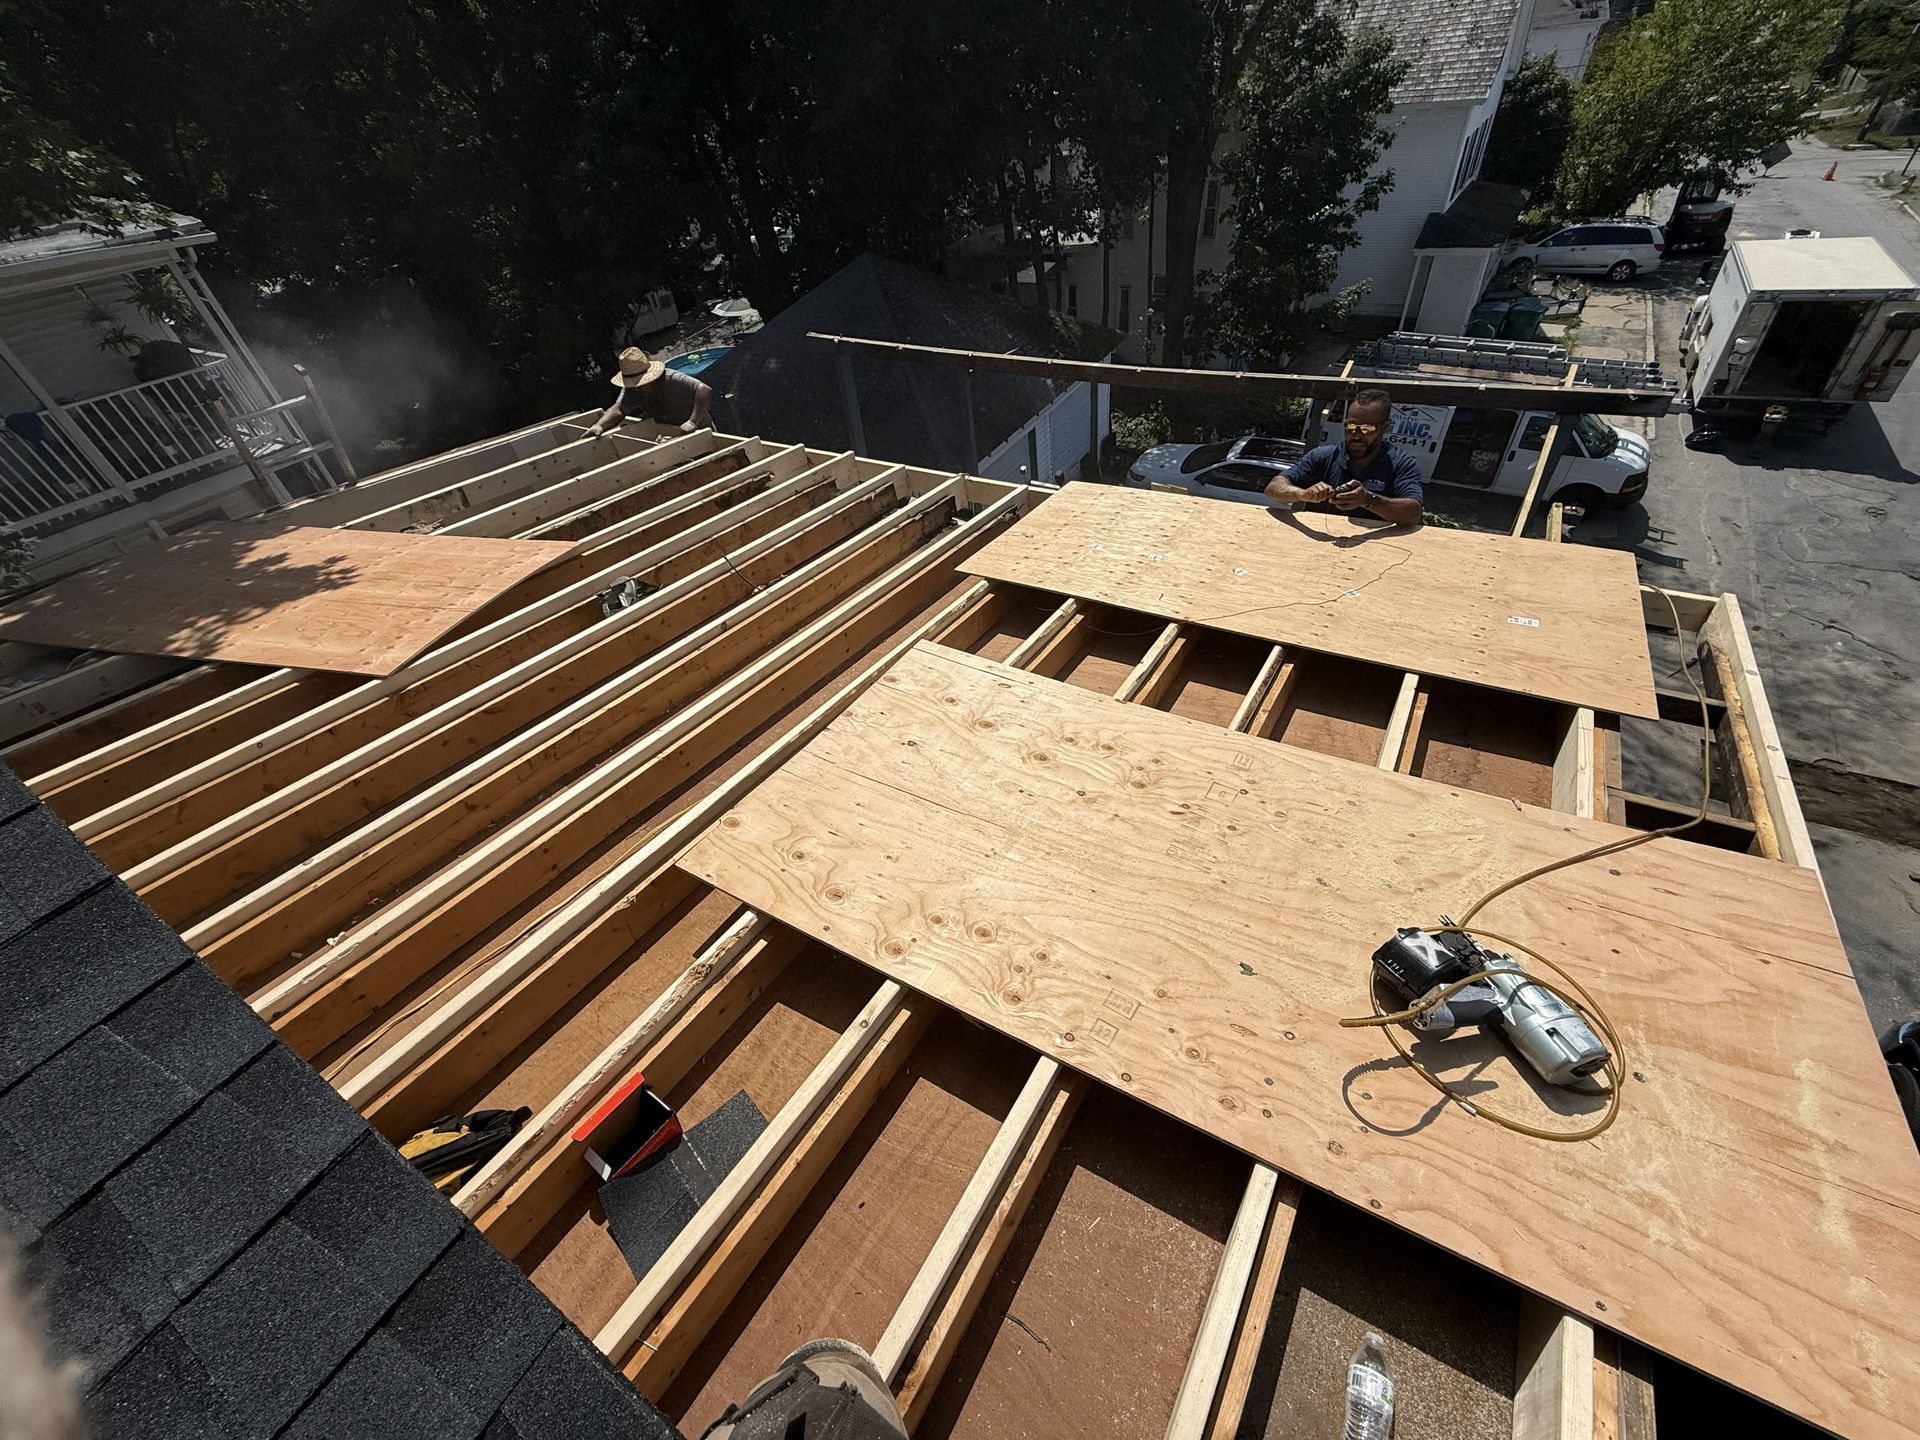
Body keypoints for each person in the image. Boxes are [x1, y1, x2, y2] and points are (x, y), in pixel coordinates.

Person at [1264, 386, 1424, 525]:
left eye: (1367, 428)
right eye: (1351, 426)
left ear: (1385, 427)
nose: (1356, 435)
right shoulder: (1324, 456)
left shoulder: (1400, 463)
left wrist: (1367, 500)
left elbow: (1413, 513)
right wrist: (1302, 494)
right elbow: (1273, 488)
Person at [585, 347, 712, 437]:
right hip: (671, 434)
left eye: (640, 385)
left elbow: (703, 390)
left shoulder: (671, 378)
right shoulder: (633, 390)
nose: (637, 389)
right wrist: (600, 425)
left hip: (700, 432)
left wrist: (692, 422)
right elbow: (619, 409)